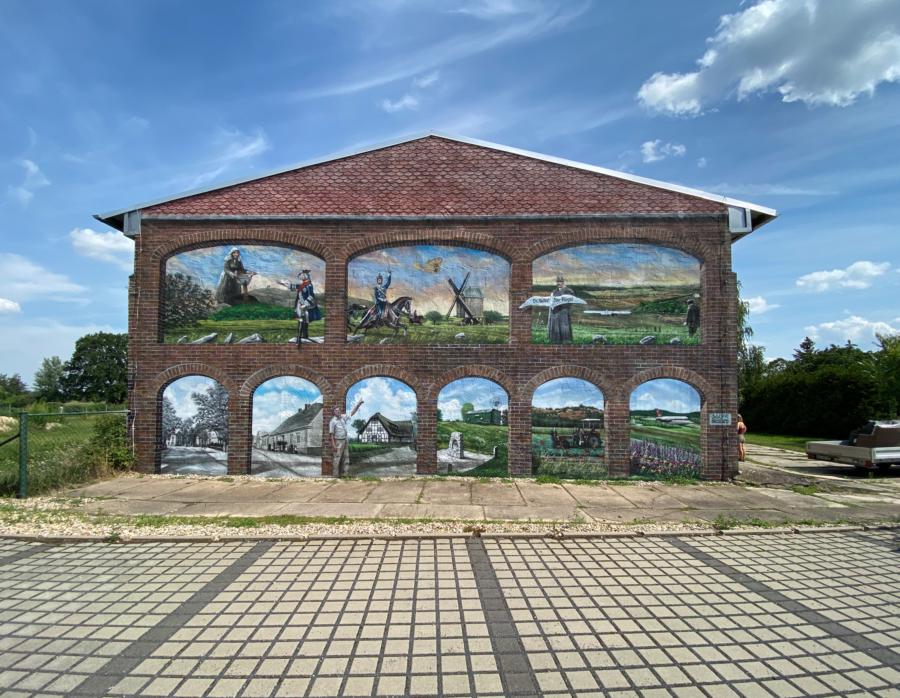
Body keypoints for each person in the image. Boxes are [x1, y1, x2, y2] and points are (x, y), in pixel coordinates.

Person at [280, 270, 322, 343]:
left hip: (305, 306)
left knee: (304, 320)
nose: (300, 276)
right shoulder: (303, 284)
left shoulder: (309, 285)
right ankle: (301, 335)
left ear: (305, 276)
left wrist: (305, 304)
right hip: (300, 305)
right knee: (300, 319)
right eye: (300, 275)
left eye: (301, 275)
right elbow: (296, 287)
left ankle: (304, 335)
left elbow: (311, 296)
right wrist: (286, 284)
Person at [329, 400, 364, 477]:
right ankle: (335, 475)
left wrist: (359, 404)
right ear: (334, 412)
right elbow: (331, 434)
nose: (338, 412)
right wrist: (334, 445)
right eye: (336, 411)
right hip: (338, 441)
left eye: (339, 410)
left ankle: (345, 474)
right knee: (337, 458)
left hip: (345, 440)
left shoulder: (343, 417)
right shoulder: (333, 421)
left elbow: (352, 412)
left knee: (346, 457)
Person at [547, 274, 574, 344]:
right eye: (557, 282)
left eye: (560, 281)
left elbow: (571, 301)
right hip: (555, 312)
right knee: (556, 327)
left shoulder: (569, 291)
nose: (558, 283)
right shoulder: (554, 291)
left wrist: (564, 306)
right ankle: (555, 340)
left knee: (564, 326)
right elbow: (551, 301)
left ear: (563, 282)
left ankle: (566, 340)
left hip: (563, 311)